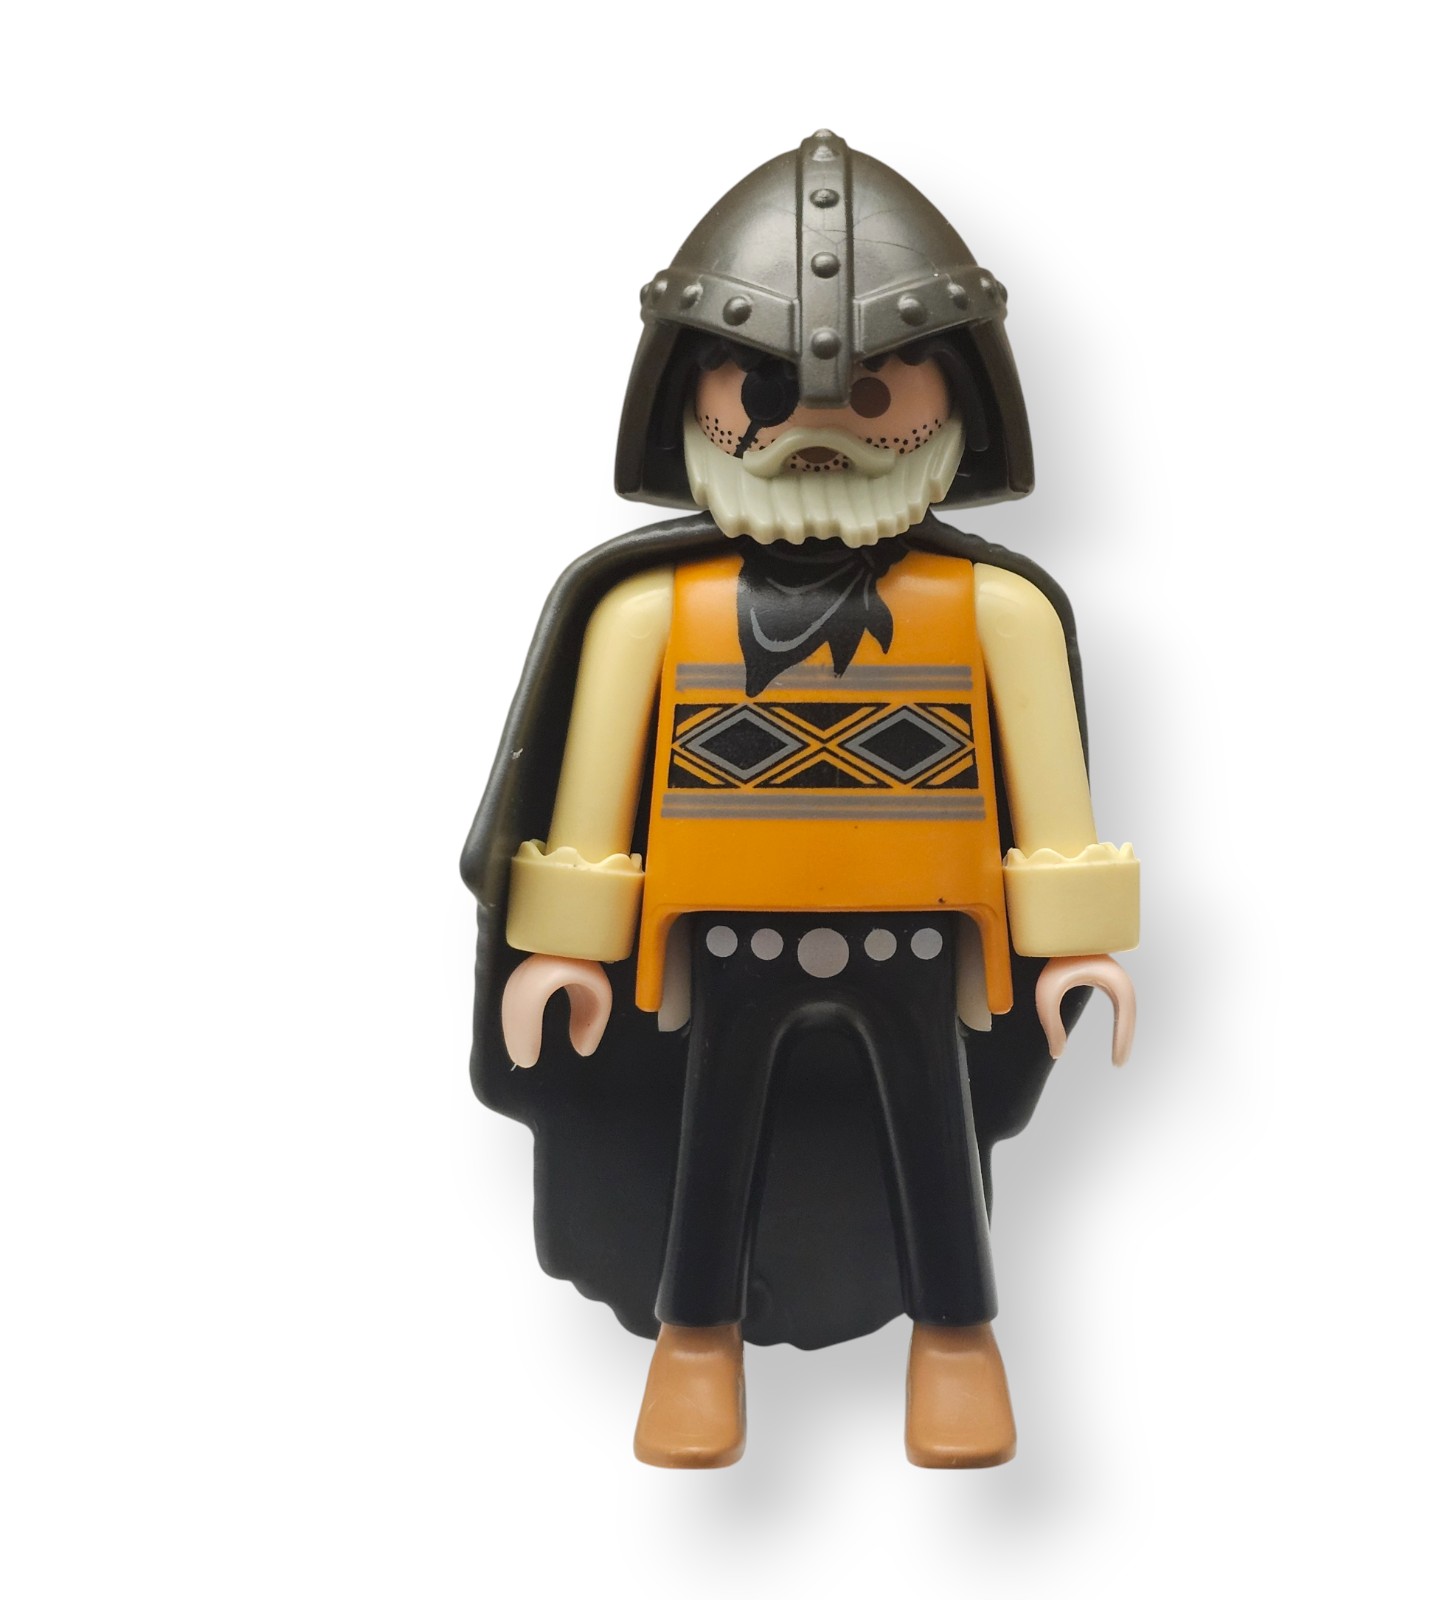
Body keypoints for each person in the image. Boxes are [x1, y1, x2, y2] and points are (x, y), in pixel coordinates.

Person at [462, 131, 1138, 1468]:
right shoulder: (649, 616)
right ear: (691, 397)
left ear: (955, 397)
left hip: (922, 945)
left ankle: (959, 1347)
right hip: (721, 944)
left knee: (936, 1150)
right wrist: (567, 950)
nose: (819, 425)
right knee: (709, 1147)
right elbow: (593, 809)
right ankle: (692, 1348)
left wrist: (1074, 946)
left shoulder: (994, 612)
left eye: (876, 388)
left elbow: (1050, 807)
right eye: (764, 389)